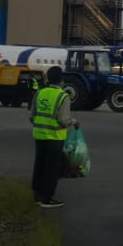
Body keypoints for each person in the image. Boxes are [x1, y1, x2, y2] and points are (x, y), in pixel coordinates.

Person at [29, 66, 77, 207]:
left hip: (39, 135)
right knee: (52, 168)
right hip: (55, 137)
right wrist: (73, 122)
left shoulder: (39, 93)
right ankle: (47, 198)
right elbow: (63, 120)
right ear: (62, 80)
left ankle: (37, 194)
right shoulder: (63, 96)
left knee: (39, 164)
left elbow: (32, 117)